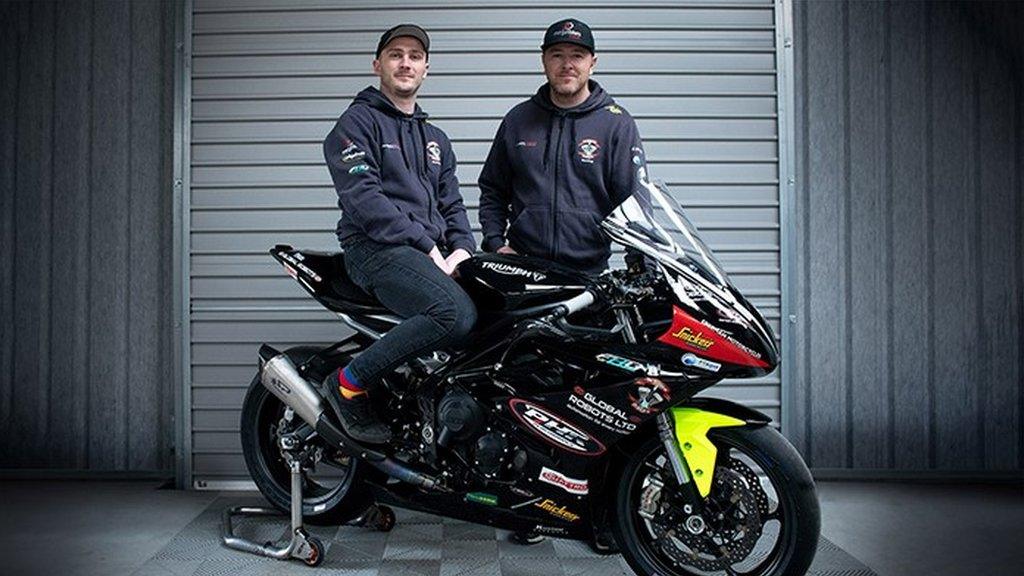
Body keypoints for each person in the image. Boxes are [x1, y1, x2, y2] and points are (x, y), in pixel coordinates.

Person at [322, 24, 477, 444]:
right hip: (375, 249)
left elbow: (453, 206)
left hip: (428, 254)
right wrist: (427, 245)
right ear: (377, 65)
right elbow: (365, 200)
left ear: (426, 69)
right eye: (395, 54)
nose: (405, 62)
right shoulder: (356, 124)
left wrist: (463, 251)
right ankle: (348, 383)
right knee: (454, 315)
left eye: (414, 55)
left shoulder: (436, 140)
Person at [478, 18, 651, 275]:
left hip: (588, 274)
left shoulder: (616, 124)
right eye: (557, 55)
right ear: (544, 61)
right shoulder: (518, 119)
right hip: (523, 268)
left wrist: (642, 267)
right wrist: (495, 242)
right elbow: (493, 188)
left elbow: (634, 201)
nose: (567, 65)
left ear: (592, 63)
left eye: (577, 56)